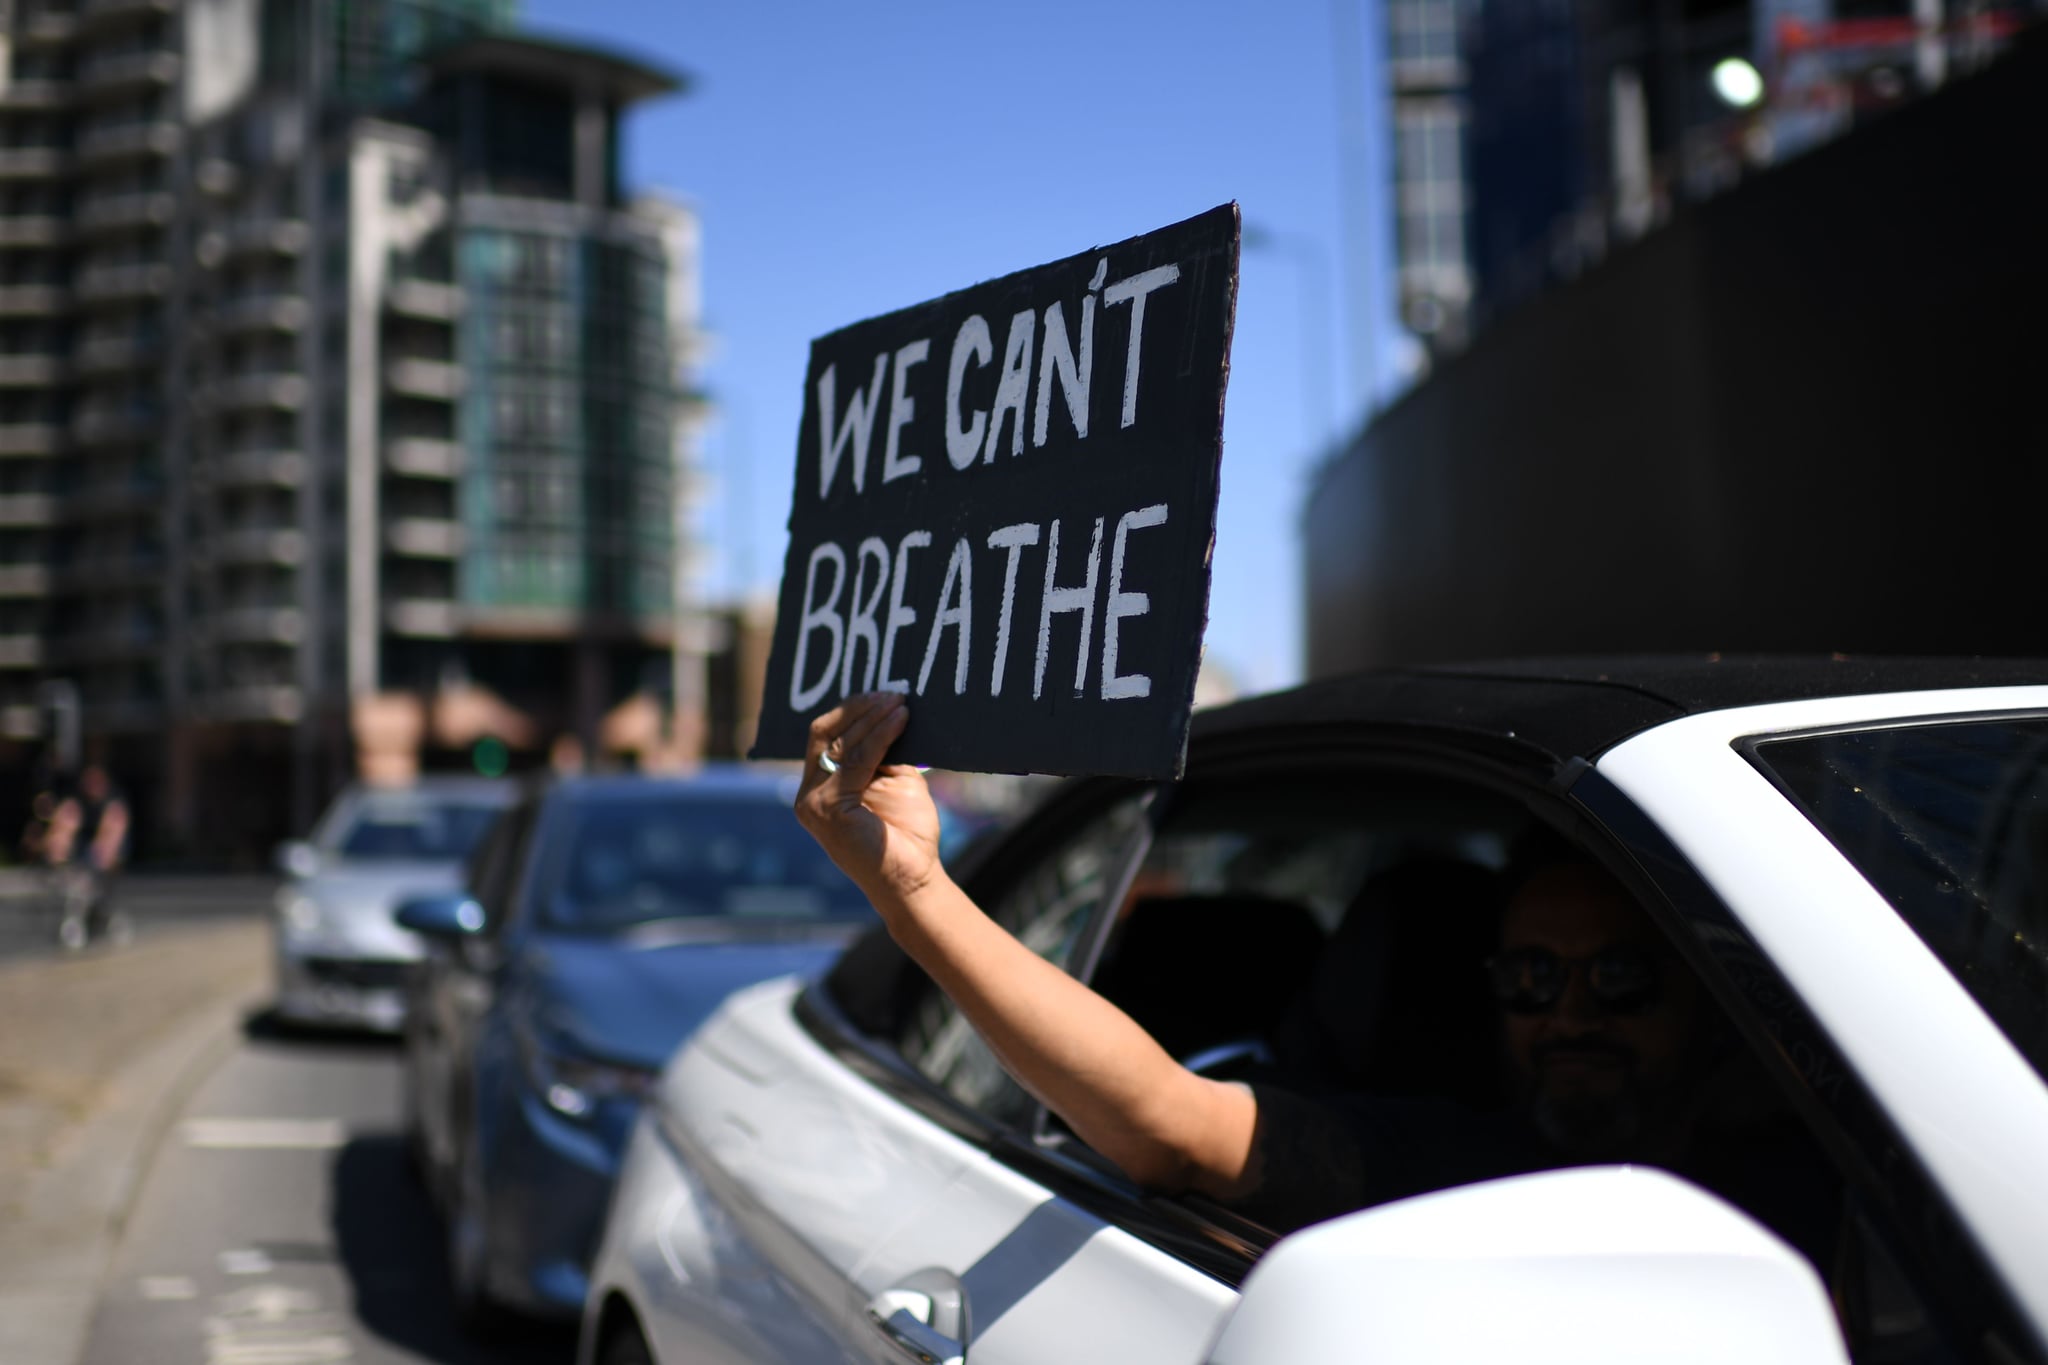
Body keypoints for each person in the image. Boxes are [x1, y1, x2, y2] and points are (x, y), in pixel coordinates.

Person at [796, 692, 1837, 1259]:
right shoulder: (1445, 1164)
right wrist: (914, 891)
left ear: (1707, 993)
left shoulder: (1857, 1172)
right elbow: (1171, 1124)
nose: (1566, 1013)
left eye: (1618, 976)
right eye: (1528, 976)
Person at [43, 763, 130, 950]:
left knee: (98, 886)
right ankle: (76, 922)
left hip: (104, 855)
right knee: (77, 886)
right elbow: (63, 827)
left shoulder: (112, 803)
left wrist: (101, 858)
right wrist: (57, 850)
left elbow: (112, 834)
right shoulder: (76, 802)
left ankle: (102, 918)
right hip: (82, 855)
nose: (92, 785)